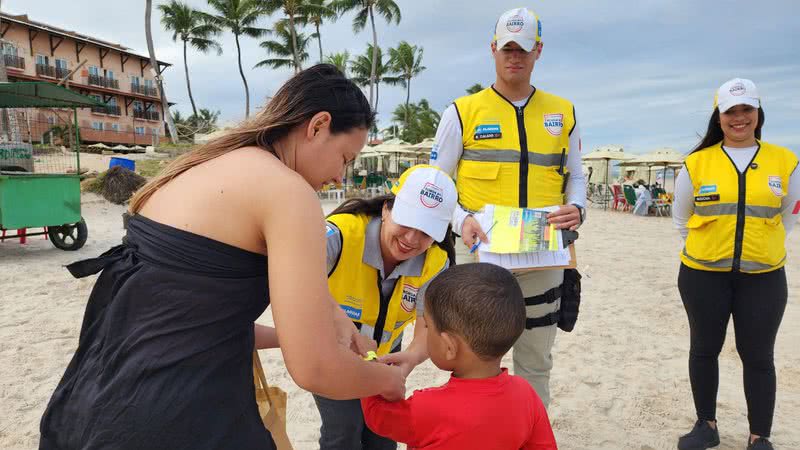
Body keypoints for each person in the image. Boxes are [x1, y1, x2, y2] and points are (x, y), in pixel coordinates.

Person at [38, 64, 406, 450]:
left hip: (90, 401)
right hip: (173, 416)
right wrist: (387, 380)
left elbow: (186, 320)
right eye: (345, 158)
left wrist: (331, 321)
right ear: (318, 126)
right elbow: (315, 370)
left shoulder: (200, 167)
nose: (340, 177)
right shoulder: (288, 193)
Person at [429, 7, 586, 408]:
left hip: (543, 255)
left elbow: (577, 176)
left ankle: (530, 433)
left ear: (538, 51)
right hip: (480, 255)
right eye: (508, 48)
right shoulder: (461, 112)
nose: (515, 57)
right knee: (472, 361)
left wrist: (577, 208)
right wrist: (461, 220)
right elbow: (435, 185)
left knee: (536, 361)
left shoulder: (563, 112)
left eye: (524, 49)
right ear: (493, 49)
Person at [257, 165, 457, 450]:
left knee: (384, 432)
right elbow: (288, 276)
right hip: (330, 354)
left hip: (386, 358)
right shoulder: (339, 235)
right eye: (407, 222)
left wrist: (411, 358)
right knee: (344, 430)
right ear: (387, 209)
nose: (411, 239)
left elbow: (428, 327)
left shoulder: (435, 262)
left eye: (426, 232)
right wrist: (335, 328)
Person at [673, 78, 800, 450]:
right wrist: (711, 249)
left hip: (763, 276)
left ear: (759, 112)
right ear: (719, 116)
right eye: (730, 110)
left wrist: (760, 246)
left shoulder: (785, 161)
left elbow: (789, 216)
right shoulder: (696, 163)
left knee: (758, 356)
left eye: (747, 109)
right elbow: (681, 219)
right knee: (704, 349)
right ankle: (706, 425)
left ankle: (760, 435)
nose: (739, 117)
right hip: (702, 275)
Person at [361, 263, 557, 449]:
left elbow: (377, 415)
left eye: (427, 326)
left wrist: (369, 360)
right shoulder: (526, 394)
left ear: (449, 347)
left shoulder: (426, 408)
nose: (425, 334)